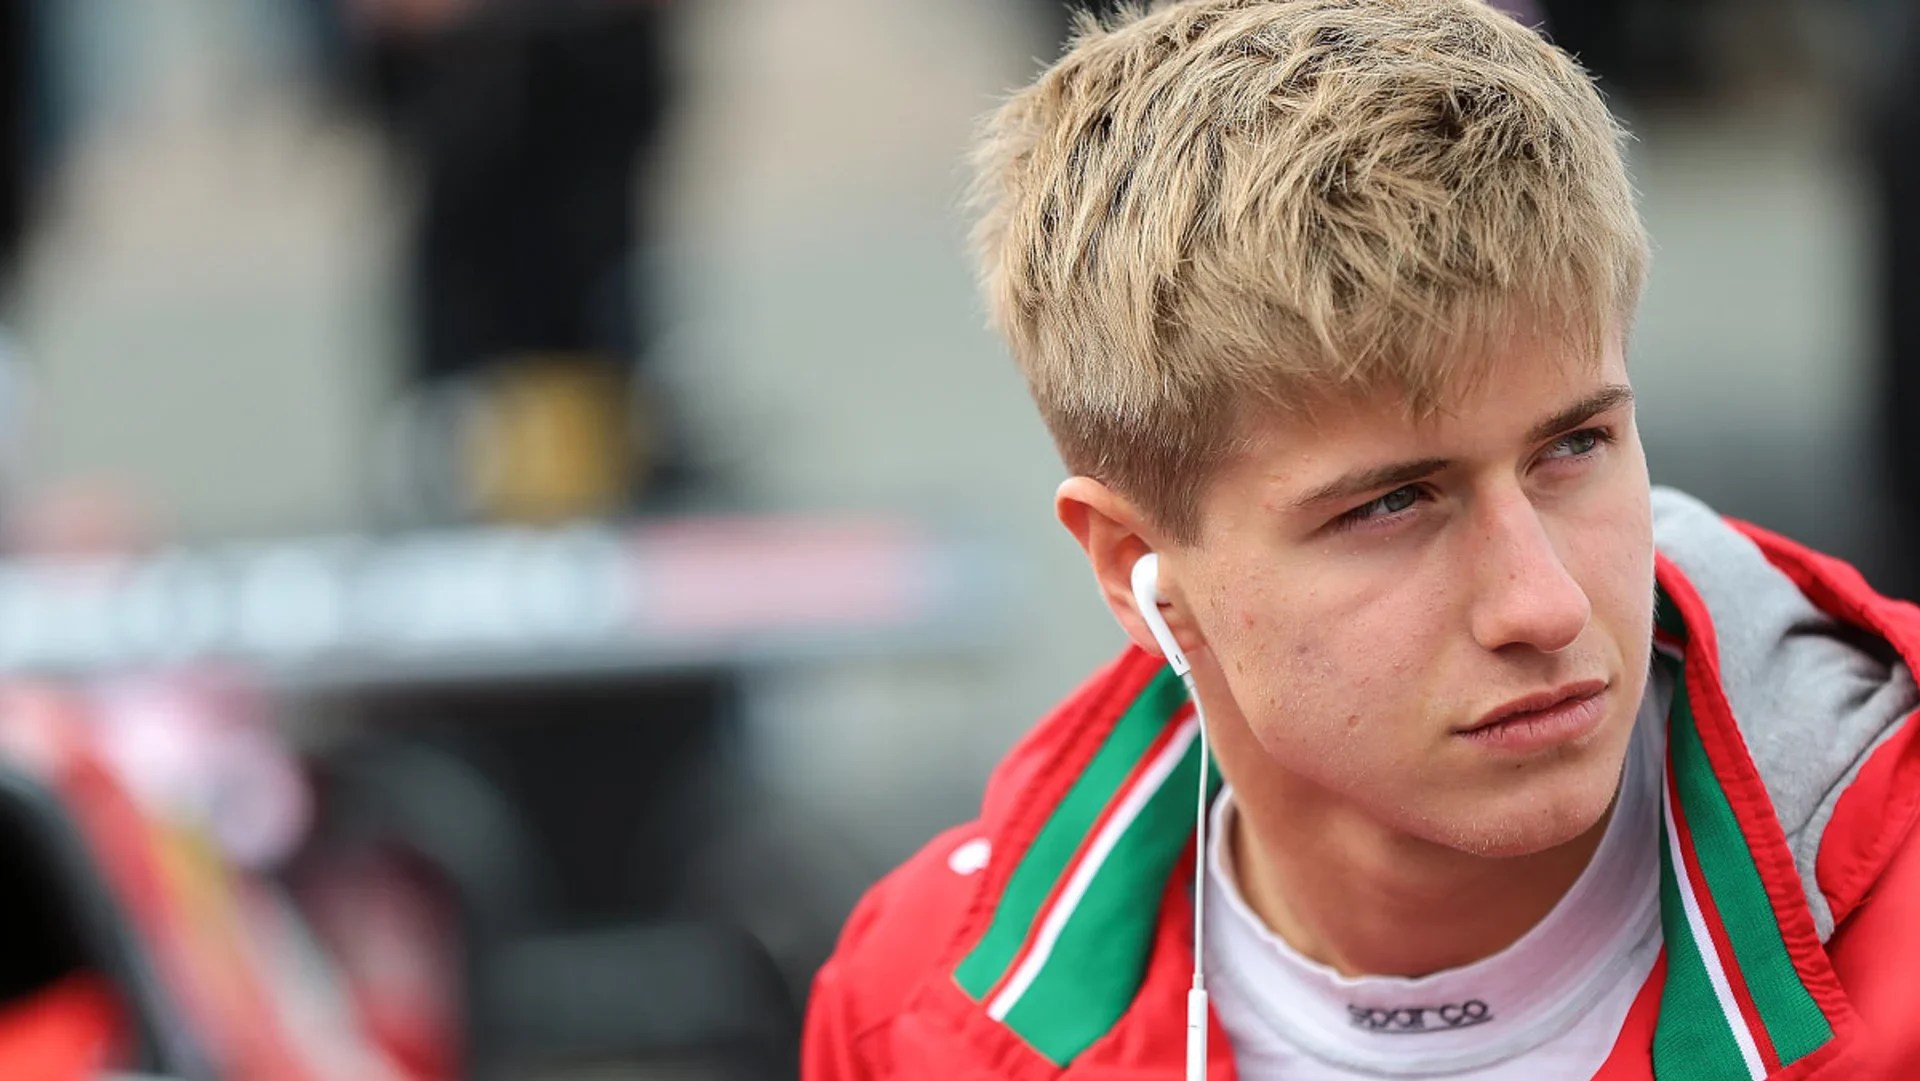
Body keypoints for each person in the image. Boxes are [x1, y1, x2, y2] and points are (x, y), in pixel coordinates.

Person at [801, 1, 1920, 1078]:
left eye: (1573, 446)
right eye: (1391, 506)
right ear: (1133, 573)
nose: (1544, 604)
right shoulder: (912, 1016)